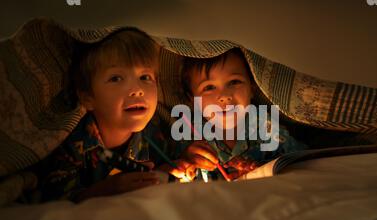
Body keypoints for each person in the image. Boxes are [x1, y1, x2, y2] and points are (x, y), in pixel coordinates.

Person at [27, 29, 182, 203]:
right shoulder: (70, 144)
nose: (137, 90)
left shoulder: (155, 136)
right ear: (87, 97)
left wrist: (182, 163)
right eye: (116, 78)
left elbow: (170, 167)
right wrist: (106, 190)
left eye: (145, 77)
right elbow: (52, 200)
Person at [179, 48, 308, 180]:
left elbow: (304, 163)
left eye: (234, 82)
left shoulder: (265, 127)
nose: (224, 96)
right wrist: (187, 161)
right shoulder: (189, 133)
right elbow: (172, 169)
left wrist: (261, 172)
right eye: (209, 87)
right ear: (192, 99)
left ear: (252, 88)